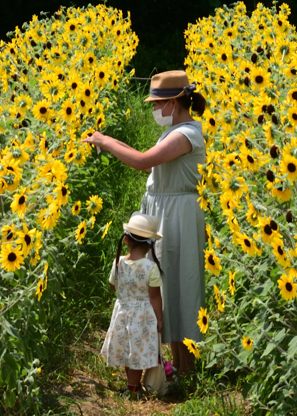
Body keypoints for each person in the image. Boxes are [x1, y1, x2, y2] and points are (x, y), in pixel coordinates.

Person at [84, 70, 207, 380]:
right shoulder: (173, 131)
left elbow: (142, 161)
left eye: (158, 103)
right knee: (167, 286)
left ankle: (187, 368)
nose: (155, 109)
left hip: (178, 213)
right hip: (165, 209)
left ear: (175, 102)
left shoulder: (186, 134)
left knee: (182, 284)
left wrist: (106, 141)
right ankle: (178, 365)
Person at [100, 212, 165, 400]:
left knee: (129, 351)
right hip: (142, 316)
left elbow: (113, 286)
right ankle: (133, 390)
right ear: (151, 244)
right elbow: (155, 297)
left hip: (122, 312)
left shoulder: (118, 263)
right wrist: (159, 319)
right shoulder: (150, 267)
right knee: (136, 352)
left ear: (126, 239)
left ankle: (132, 386)